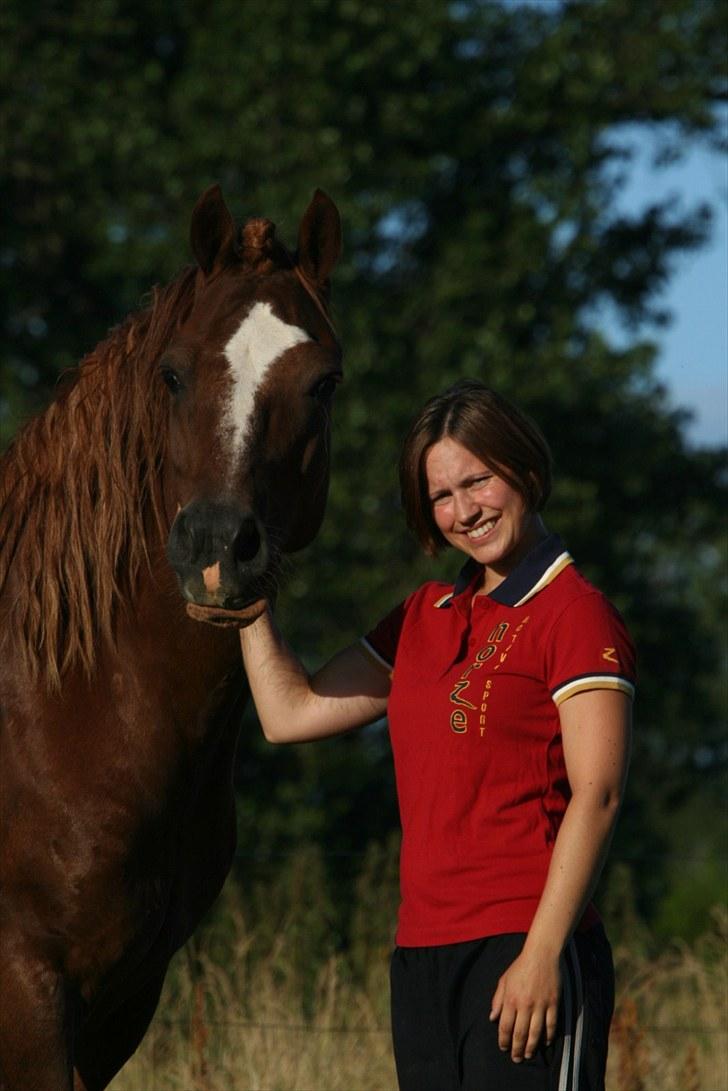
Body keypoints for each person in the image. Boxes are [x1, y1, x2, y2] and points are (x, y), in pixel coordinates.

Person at [239, 380, 635, 1091]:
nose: (464, 510)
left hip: (524, 947)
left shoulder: (575, 612)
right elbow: (289, 713)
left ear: (523, 466)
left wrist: (542, 954)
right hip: (421, 957)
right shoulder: (423, 614)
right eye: (442, 496)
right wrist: (246, 598)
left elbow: (598, 794)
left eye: (478, 481)